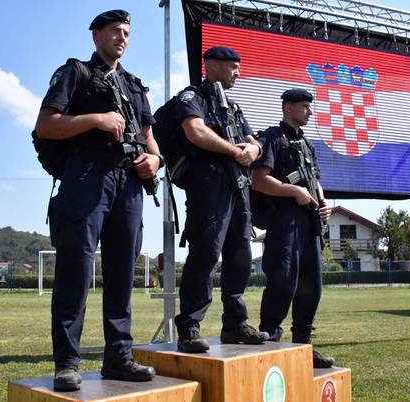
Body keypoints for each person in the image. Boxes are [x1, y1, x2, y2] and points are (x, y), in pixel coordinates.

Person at [35, 10, 159, 391]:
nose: (121, 38)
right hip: (86, 177)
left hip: (129, 184)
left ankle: (118, 357)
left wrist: (154, 160)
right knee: (76, 270)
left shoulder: (134, 85)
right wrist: (95, 119)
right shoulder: (76, 73)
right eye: (114, 31)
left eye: (126, 32)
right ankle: (67, 363)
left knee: (123, 273)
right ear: (95, 35)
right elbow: (46, 125)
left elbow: (150, 139)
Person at [173, 46, 269, 353]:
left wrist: (253, 151)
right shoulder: (192, 97)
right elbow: (195, 131)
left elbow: (254, 143)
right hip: (208, 186)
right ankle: (189, 326)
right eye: (233, 67)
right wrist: (235, 151)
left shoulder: (233, 107)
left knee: (240, 256)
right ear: (212, 65)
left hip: (238, 188)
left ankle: (235, 325)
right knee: (206, 254)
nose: (238, 73)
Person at [251, 88, 335, 368]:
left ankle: (303, 347)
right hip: (284, 222)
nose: (309, 111)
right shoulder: (273, 139)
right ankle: (272, 344)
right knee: (283, 282)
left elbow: (315, 179)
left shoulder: (307, 144)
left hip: (310, 223)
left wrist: (324, 202)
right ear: (288, 108)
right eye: (304, 106)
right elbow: (258, 180)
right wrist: (293, 192)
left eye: (310, 107)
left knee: (312, 287)